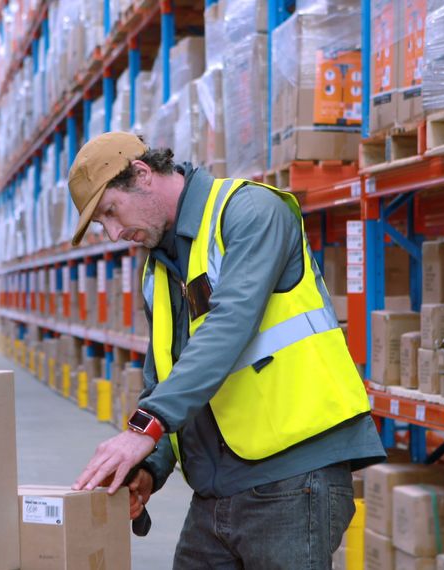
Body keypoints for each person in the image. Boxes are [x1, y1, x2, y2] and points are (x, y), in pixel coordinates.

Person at [67, 132, 386, 569]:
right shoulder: (157, 269)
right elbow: (163, 375)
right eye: (103, 225)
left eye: (110, 212)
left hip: (292, 477)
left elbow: (229, 325)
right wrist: (152, 465)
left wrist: (143, 429)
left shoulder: (251, 212)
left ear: (141, 175)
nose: (116, 232)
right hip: (216, 490)